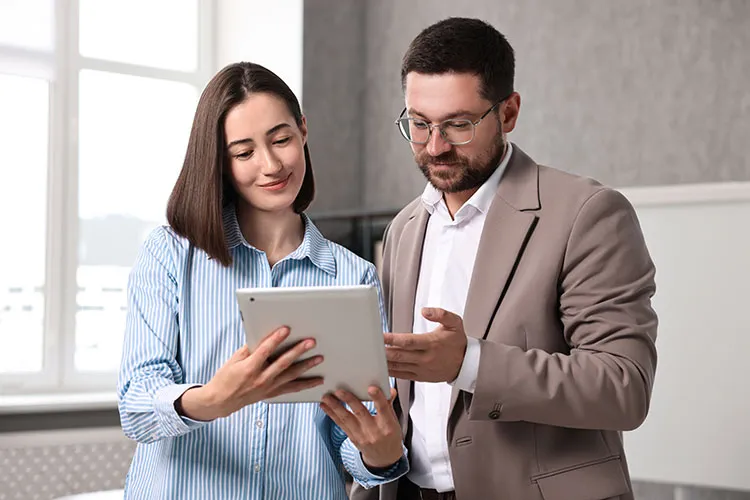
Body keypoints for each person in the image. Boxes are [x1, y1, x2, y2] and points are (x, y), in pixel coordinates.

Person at [350, 17, 658, 500]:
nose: (435, 146)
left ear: (509, 112)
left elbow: (623, 387)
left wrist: (469, 362)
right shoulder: (403, 229)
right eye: (419, 123)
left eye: (459, 124)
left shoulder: (587, 213)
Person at [117, 62, 408, 500]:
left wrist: (378, 455)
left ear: (303, 131)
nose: (271, 165)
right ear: (220, 160)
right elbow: (138, 405)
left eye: (281, 139)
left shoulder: (356, 276)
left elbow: (348, 437)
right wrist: (214, 399)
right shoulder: (171, 254)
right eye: (244, 152)